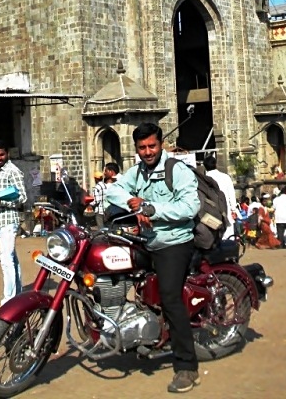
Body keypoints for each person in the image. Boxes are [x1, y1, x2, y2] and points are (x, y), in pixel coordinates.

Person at [106, 123, 201, 394]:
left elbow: (190, 206)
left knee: (169, 297)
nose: (147, 152)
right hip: (147, 241)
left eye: (152, 146)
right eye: (142, 148)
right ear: (136, 149)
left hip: (174, 241)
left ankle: (187, 366)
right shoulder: (136, 172)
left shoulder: (177, 170)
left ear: (161, 145)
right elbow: (113, 190)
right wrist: (133, 203)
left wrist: (150, 208)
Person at [0, 140, 27, 318]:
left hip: (10, 220)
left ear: (7, 154)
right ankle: (18, 297)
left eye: (1, 154)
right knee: (12, 260)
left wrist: (2, 202)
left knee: (6, 260)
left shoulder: (12, 171)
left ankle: (8, 303)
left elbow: (22, 198)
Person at [201, 154, 237, 240]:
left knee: (214, 238)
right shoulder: (225, 177)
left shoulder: (204, 179)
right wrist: (233, 209)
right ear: (216, 164)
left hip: (211, 213)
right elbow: (231, 195)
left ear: (204, 167)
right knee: (228, 238)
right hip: (226, 210)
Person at [90, 163, 120, 229]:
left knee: (102, 230)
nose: (104, 173)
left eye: (106, 171)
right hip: (114, 212)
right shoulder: (119, 184)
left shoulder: (99, 186)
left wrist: (90, 204)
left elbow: (96, 201)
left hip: (101, 212)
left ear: (111, 172)